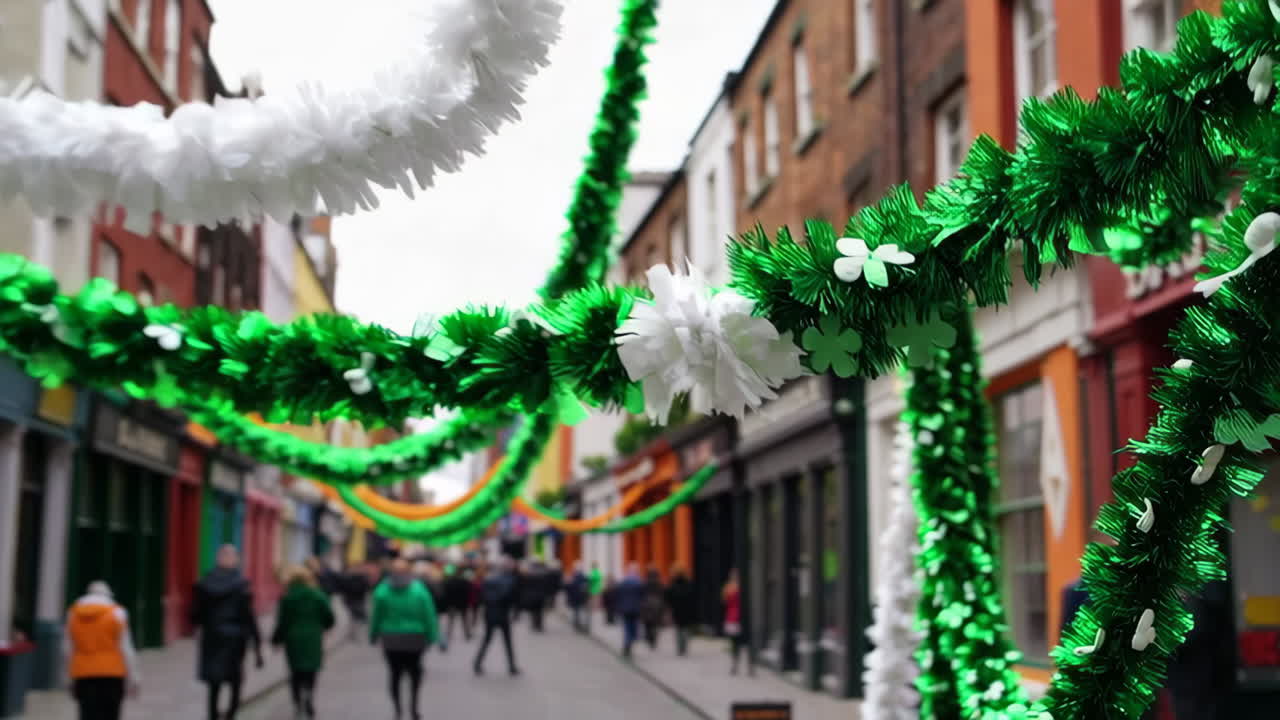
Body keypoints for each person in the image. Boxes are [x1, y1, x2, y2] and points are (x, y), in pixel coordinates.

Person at [192, 545, 263, 720]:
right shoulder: (241, 585)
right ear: (235, 560)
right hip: (235, 639)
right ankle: (231, 714)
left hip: (213, 637)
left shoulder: (205, 583)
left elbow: (196, 615)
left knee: (214, 683)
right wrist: (257, 644)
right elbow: (248, 616)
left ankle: (213, 716)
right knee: (235, 682)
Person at [370, 557, 441, 720]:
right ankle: (414, 708)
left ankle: (398, 709)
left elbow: (376, 616)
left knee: (395, 674)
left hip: (391, 639)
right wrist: (432, 636)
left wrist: (373, 635)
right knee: (415, 673)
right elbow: (428, 615)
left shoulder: (382, 591)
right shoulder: (419, 590)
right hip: (415, 638)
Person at [64, 581, 140, 720]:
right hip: (112, 673)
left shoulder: (73, 614)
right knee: (110, 714)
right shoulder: (118, 613)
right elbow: (126, 648)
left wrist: (68, 678)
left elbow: (67, 649)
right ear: (108, 595)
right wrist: (134, 677)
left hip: (83, 673)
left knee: (87, 714)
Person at [271, 566, 335, 720]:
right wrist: (325, 626)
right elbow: (329, 616)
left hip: (293, 639)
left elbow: (282, 622)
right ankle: (309, 695)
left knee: (295, 672)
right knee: (311, 670)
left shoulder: (287, 598)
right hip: (313, 638)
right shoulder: (318, 596)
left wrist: (276, 639)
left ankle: (297, 701)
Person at [473, 557, 520, 676]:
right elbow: (511, 597)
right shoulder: (510, 580)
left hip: (490, 613)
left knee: (487, 639)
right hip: (502, 613)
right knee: (507, 641)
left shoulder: (489, 579)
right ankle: (512, 666)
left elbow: (482, 596)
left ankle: (477, 663)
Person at [615, 564, 646, 659]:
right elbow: (642, 596)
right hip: (636, 609)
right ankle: (631, 641)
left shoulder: (623, 582)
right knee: (634, 626)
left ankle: (627, 642)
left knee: (627, 627)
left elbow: (618, 596)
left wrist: (619, 607)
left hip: (625, 609)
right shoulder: (639, 583)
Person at [337, 563, 373, 643]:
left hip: (352, 600)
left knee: (355, 616)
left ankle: (354, 632)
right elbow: (368, 588)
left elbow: (342, 588)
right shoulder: (362, 577)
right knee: (359, 616)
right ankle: (355, 631)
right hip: (357, 599)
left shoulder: (347, 577)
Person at [666, 566, 697, 656]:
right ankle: (684, 646)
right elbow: (693, 597)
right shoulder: (688, 584)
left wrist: (671, 606)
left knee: (678, 629)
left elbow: (668, 597)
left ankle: (680, 648)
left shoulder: (673, 584)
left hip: (677, 610)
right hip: (687, 610)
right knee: (685, 629)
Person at [442, 564, 475, 645]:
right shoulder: (464, 582)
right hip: (462, 603)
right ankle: (467, 634)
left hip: (452, 604)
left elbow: (446, 594)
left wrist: (446, 603)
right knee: (464, 620)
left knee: (451, 620)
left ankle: (448, 633)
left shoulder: (448, 582)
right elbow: (468, 592)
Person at [723, 569, 748, 675]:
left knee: (734, 642)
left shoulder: (728, 588)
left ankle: (735, 663)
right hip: (736, 618)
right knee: (737, 642)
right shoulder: (738, 588)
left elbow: (724, 601)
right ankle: (736, 662)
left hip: (732, 617)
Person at [516, 561, 548, 633]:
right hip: (540, 596)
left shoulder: (528, 574)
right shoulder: (543, 574)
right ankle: (539, 624)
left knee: (534, 611)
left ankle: (535, 624)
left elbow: (524, 585)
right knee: (539, 611)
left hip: (532, 596)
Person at [640, 567, 666, 649]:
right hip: (657, 607)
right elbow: (663, 596)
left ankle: (649, 637)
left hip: (647, 607)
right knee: (655, 625)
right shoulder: (660, 584)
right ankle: (653, 639)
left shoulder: (645, 584)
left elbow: (641, 595)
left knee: (648, 624)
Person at [565, 563, 589, 632]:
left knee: (577, 612)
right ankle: (580, 625)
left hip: (577, 598)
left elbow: (568, 588)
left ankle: (578, 624)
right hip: (580, 598)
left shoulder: (574, 578)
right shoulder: (583, 578)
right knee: (579, 612)